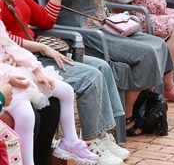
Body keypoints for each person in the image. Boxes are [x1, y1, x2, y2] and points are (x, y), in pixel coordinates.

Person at [1, 0, 130, 164]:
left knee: (101, 66)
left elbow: (45, 19)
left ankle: (101, 136)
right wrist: (41, 48)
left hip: (33, 56)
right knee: (90, 76)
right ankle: (90, 140)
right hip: (25, 60)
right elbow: (4, 38)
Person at [41, 0, 174, 141]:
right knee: (147, 53)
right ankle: (128, 114)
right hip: (87, 36)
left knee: (158, 44)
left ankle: (138, 103)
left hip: (102, 28)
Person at [0, 22, 100, 165]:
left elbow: (10, 45)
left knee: (66, 91)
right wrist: (8, 76)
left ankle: (70, 141)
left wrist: (36, 70)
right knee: (26, 116)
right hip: (5, 80)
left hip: (15, 71)